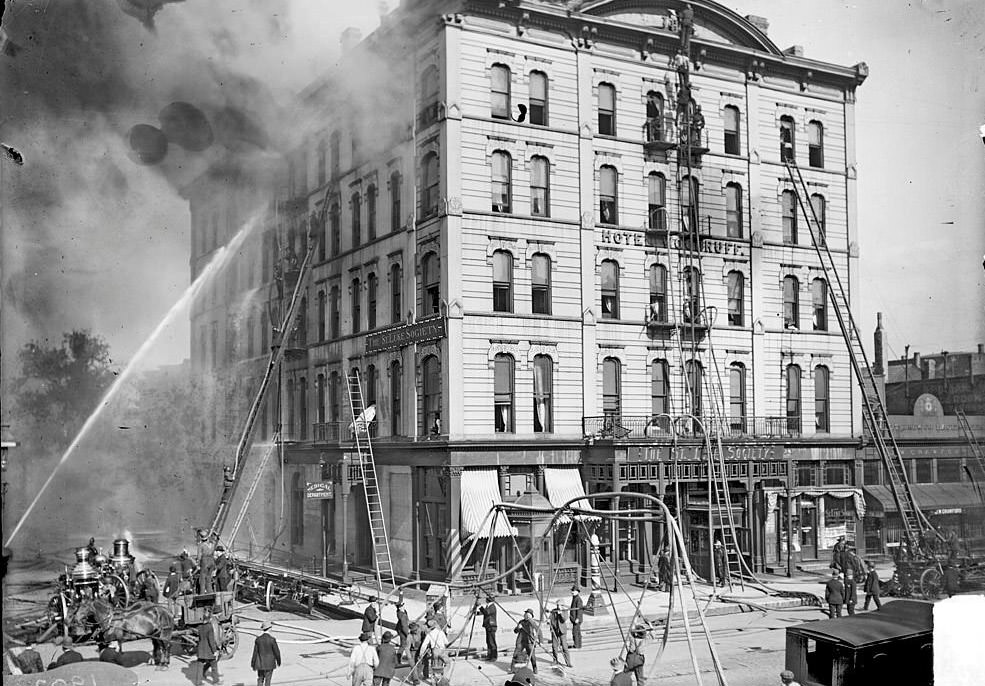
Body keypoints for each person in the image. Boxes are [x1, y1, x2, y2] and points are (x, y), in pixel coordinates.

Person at [196, 607, 221, 686]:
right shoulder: (209, 627)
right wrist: (215, 651)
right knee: (214, 666)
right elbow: (211, 641)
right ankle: (216, 681)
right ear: (209, 618)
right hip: (209, 651)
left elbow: (199, 639)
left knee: (200, 667)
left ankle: (198, 682)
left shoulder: (199, 627)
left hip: (200, 650)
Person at [251, 621, 281, 686]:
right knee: (268, 680)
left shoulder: (258, 639)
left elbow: (255, 653)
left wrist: (253, 663)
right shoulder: (272, 639)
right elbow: (277, 652)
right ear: (270, 628)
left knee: (260, 679)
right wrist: (279, 661)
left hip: (260, 663)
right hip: (270, 663)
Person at [513, 609, 540, 674]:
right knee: (516, 654)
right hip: (521, 641)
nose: (526, 616)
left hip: (529, 642)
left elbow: (539, 631)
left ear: (531, 616)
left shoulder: (532, 622)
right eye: (525, 614)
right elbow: (515, 631)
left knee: (532, 656)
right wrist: (518, 628)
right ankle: (514, 669)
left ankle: (535, 668)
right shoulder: (521, 622)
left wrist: (540, 640)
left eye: (528, 615)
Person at [548, 601, 572, 668]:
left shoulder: (565, 611)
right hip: (555, 630)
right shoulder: (554, 611)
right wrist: (551, 628)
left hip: (562, 631)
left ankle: (568, 662)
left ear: (563, 605)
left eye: (560, 605)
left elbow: (564, 619)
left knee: (564, 647)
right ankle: (555, 660)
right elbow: (550, 619)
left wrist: (561, 613)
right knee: (554, 646)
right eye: (558, 605)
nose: (558, 606)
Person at [476, 594, 498, 661]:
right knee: (488, 641)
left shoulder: (492, 607)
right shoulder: (488, 606)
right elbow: (483, 612)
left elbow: (486, 613)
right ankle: (489, 655)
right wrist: (476, 613)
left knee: (492, 642)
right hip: (488, 626)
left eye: (486, 598)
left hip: (491, 626)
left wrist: (480, 606)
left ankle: (494, 656)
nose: (485, 599)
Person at [197, 529, 216, 594]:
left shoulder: (201, 545)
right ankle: (210, 592)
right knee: (209, 578)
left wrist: (198, 564)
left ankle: (202, 594)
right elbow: (213, 553)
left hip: (205, 562)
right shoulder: (212, 544)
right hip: (212, 562)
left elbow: (199, 556)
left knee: (202, 579)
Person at [395, 600, 410, 666]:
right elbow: (404, 625)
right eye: (402, 606)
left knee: (403, 645)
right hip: (403, 631)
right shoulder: (402, 615)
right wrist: (407, 633)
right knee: (403, 645)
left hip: (401, 630)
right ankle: (398, 659)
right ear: (400, 607)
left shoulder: (401, 612)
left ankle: (399, 658)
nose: (404, 607)